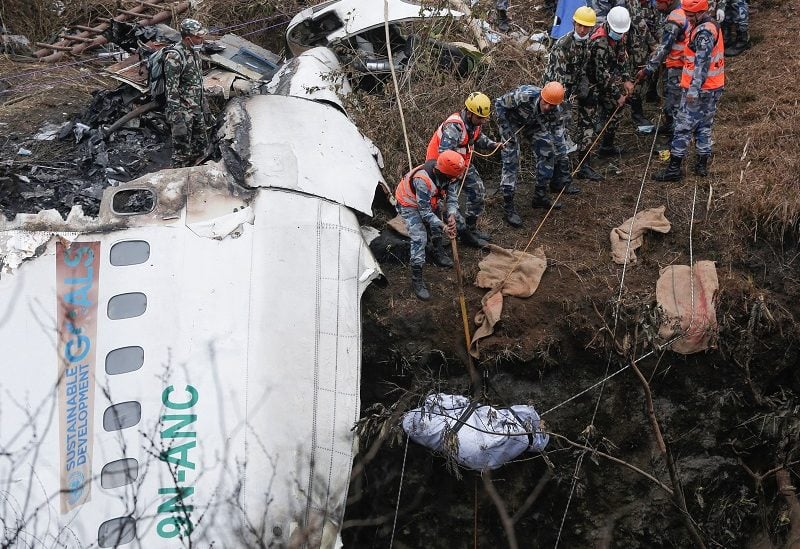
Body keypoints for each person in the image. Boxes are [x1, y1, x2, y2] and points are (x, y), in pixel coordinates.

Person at [653, 0, 724, 180]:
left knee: (683, 127)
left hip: (700, 89)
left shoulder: (704, 32)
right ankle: (701, 166)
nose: (688, 19)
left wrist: (693, 89)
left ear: (700, 13)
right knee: (704, 126)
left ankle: (674, 170)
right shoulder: (708, 24)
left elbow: (702, 63)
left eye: (690, 16)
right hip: (712, 86)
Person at [494, 82, 577, 227]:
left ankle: (540, 195)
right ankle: (508, 205)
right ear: (541, 96)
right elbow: (499, 104)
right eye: (545, 103)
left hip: (533, 123)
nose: (547, 107)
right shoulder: (524, 96)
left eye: (551, 106)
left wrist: (563, 163)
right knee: (511, 158)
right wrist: (506, 131)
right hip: (511, 122)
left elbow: (558, 137)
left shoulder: (557, 110)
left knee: (548, 151)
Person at [426, 92, 501, 248]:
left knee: (478, 192)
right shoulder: (454, 127)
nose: (483, 121)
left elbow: (477, 138)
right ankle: (464, 235)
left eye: (485, 118)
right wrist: (456, 176)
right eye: (480, 118)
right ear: (469, 113)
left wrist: (493, 144)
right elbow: (445, 156)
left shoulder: (474, 124)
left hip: (461, 164)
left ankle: (471, 228)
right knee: (449, 206)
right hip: (442, 168)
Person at [395, 150, 466, 301]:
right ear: (444, 174)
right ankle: (417, 279)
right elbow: (425, 212)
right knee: (420, 238)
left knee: (437, 223)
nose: (455, 180)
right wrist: (444, 226)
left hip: (430, 199)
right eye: (453, 178)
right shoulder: (423, 181)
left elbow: (452, 197)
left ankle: (438, 252)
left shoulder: (450, 176)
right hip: (409, 203)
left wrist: (452, 214)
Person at [544, 6, 602, 181]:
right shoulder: (563, 45)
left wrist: (584, 85)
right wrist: (563, 103)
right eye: (580, 25)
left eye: (586, 27)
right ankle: (559, 176)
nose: (582, 29)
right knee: (561, 131)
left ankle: (584, 164)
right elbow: (556, 80)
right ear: (574, 23)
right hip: (557, 92)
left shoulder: (588, 43)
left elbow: (583, 67)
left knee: (588, 121)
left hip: (574, 88)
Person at [585, 6, 635, 159]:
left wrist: (626, 78)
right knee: (594, 116)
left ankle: (607, 146)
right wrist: (617, 94)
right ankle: (587, 151)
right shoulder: (599, 42)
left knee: (615, 109)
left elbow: (621, 57)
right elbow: (601, 75)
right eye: (618, 32)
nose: (620, 35)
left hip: (605, 78)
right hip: (591, 83)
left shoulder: (618, 34)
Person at [636, 0, 691, 138]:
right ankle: (669, 125)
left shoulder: (674, 19)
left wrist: (648, 69)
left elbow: (664, 48)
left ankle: (676, 137)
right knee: (669, 99)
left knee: (674, 102)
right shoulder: (682, 10)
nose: (656, 5)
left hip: (678, 65)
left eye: (659, 3)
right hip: (680, 63)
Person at [164, 18, 210, 167]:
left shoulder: (195, 52)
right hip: (183, 114)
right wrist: (177, 120)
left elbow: (197, 82)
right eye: (198, 37)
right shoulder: (175, 57)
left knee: (201, 149)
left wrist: (205, 106)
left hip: (196, 110)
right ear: (188, 38)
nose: (201, 39)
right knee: (182, 155)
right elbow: (171, 90)